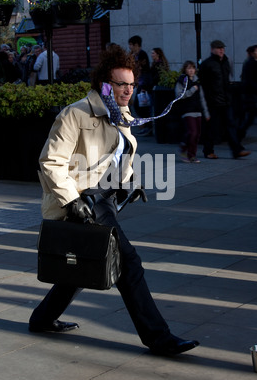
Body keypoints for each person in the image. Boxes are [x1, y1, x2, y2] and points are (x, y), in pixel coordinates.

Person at [29, 45, 199, 357]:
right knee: (127, 262)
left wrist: (130, 184)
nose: (128, 91)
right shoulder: (76, 114)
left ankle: (41, 318)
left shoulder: (121, 116)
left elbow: (117, 157)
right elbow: (51, 162)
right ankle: (158, 338)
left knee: (89, 263)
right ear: (105, 84)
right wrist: (71, 201)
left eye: (132, 84)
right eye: (121, 84)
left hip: (103, 202)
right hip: (81, 202)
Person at [198, 40, 251, 159]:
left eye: (222, 48)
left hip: (226, 100)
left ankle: (236, 150)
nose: (221, 50)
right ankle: (208, 151)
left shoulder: (226, 61)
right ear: (212, 49)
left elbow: (228, 79)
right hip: (212, 101)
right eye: (218, 48)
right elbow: (203, 83)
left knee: (231, 125)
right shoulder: (207, 64)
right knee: (212, 127)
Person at [175, 60, 210, 163]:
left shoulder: (197, 82)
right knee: (192, 132)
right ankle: (183, 148)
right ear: (185, 70)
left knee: (197, 134)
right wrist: (192, 90)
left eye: (192, 68)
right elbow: (179, 95)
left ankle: (192, 155)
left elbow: (202, 98)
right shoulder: (181, 81)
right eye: (189, 68)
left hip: (197, 110)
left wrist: (206, 113)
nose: (191, 70)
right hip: (187, 110)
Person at [128, 35, 152, 136]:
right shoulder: (136, 55)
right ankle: (145, 126)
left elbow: (143, 69)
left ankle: (147, 127)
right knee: (138, 106)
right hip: (139, 83)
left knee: (141, 106)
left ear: (136, 45)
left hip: (143, 84)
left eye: (131, 45)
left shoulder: (142, 55)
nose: (130, 47)